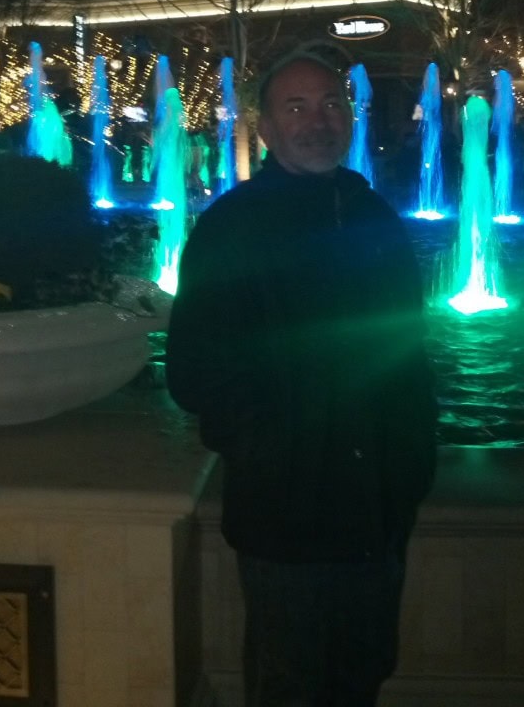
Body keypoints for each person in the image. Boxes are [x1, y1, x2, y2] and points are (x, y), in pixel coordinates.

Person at [166, 50, 437, 707]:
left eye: (332, 105)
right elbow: (194, 369)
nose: (318, 121)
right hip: (288, 513)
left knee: (364, 670)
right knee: (290, 681)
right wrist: (273, 445)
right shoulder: (234, 226)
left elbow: (408, 350)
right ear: (264, 128)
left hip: (377, 506)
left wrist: (410, 462)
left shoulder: (373, 215)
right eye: (296, 106)